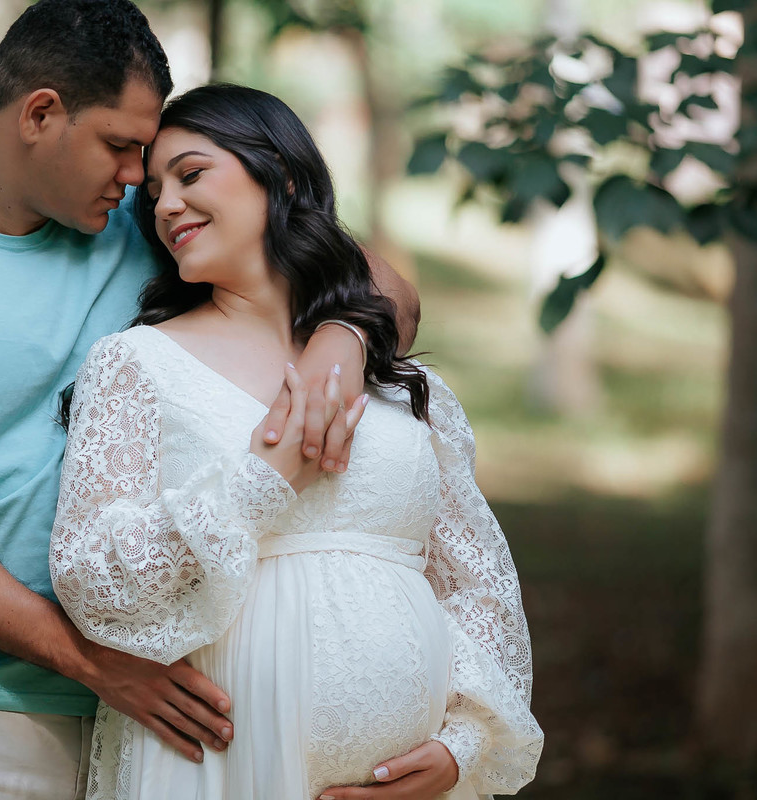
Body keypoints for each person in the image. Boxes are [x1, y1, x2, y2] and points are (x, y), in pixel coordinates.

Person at [0, 2, 419, 798]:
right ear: (40, 114)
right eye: (119, 147)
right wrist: (93, 662)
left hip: (177, 720)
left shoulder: (148, 220)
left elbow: (380, 285)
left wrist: (343, 335)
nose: (137, 179)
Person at [50, 84, 544, 800]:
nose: (165, 206)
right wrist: (260, 481)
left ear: (280, 174)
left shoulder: (394, 379)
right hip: (215, 766)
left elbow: (477, 585)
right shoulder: (136, 364)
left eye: (191, 174)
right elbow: (91, 575)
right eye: (153, 194)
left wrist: (462, 745)